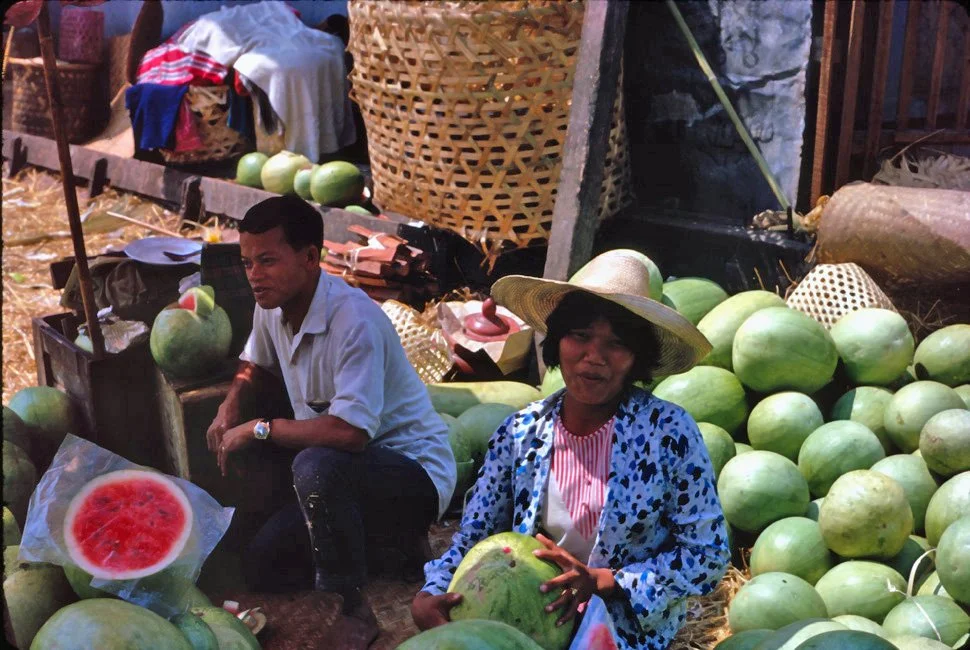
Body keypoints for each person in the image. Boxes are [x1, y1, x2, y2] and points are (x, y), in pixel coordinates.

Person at [410, 250, 730, 650]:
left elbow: (707, 555)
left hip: (622, 627)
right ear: (557, 340)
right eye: (580, 336)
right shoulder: (521, 432)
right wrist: (431, 592)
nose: (594, 357)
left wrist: (603, 581)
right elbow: (475, 535)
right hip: (524, 615)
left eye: (616, 344)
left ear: (637, 359)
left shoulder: (669, 433)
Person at [207, 195, 456, 647]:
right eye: (246, 263)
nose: (254, 276)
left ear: (309, 258)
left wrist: (260, 427)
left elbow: (350, 433)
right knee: (264, 565)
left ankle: (354, 609)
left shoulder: (355, 320)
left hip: (411, 476)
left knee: (315, 464)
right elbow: (254, 363)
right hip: (344, 479)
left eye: (267, 260)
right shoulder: (271, 304)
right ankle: (390, 547)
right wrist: (231, 406)